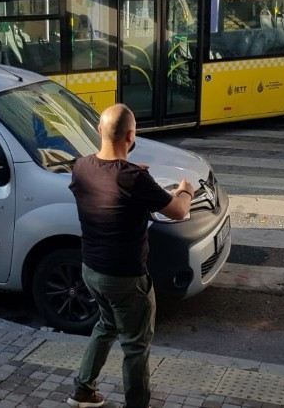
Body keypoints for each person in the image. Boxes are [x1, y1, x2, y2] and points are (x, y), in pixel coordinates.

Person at [67, 104, 194, 408]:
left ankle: (83, 390)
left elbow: (107, 180)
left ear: (99, 131)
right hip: (125, 277)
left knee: (106, 324)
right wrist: (185, 191)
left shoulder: (81, 167)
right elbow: (178, 211)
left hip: (91, 270)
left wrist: (134, 173)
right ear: (131, 136)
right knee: (136, 346)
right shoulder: (134, 179)